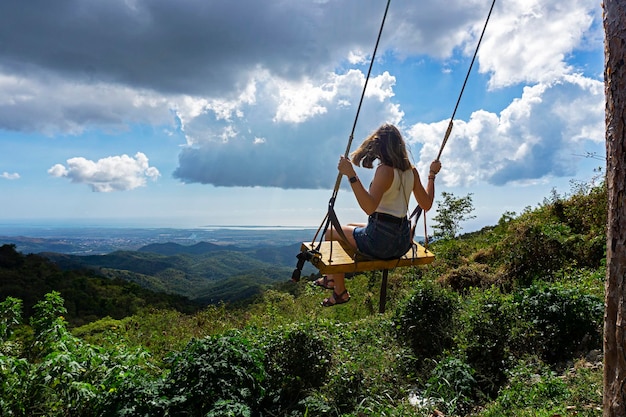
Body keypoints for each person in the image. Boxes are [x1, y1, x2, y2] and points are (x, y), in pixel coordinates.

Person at [315, 123, 441, 307]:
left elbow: (369, 207)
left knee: (332, 232)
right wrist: (431, 175)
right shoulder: (411, 171)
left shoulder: (384, 170)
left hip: (381, 243)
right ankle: (331, 279)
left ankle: (339, 290)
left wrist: (351, 175)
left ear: (381, 147)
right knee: (349, 225)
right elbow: (426, 204)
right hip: (402, 242)